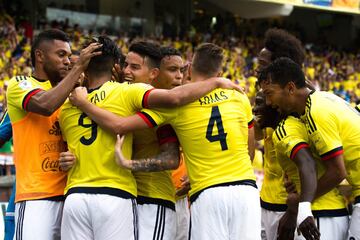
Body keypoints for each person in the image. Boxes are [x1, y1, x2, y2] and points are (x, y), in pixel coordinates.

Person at [71, 43, 260, 240]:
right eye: (126, 65)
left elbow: (160, 149)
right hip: (245, 188)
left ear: (189, 69)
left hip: (174, 196)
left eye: (134, 67)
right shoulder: (239, 97)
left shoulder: (175, 106)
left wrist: (128, 164)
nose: (179, 75)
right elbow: (250, 151)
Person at [6, 29, 101, 240]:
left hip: (70, 196)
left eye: (69, 56)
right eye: (61, 55)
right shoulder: (20, 84)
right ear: (40, 56)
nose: (67, 61)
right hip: (36, 197)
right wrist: (78, 68)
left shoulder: (72, 96)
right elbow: (45, 105)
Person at [260, 57, 360, 240]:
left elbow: (337, 172)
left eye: (269, 93)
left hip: (330, 212)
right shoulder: (324, 98)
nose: (267, 102)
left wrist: (300, 205)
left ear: (290, 88)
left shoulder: (315, 111)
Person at [254, 28, 305, 240]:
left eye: (263, 66)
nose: (257, 71)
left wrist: (295, 207)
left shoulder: (302, 103)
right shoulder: (265, 97)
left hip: (290, 204)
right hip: (265, 198)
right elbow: (256, 134)